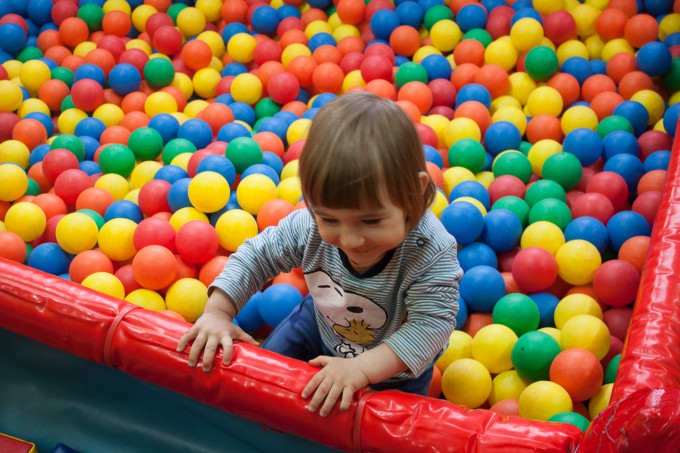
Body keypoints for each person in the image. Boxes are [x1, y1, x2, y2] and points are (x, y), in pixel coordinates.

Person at [177, 91, 462, 418]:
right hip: (320, 323)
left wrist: (361, 369)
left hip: (396, 365)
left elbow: (431, 326)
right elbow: (257, 255)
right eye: (330, 219)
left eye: (371, 220)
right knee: (256, 387)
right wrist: (217, 313)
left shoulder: (430, 250)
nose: (351, 239)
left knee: (385, 432)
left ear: (413, 192)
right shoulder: (309, 225)